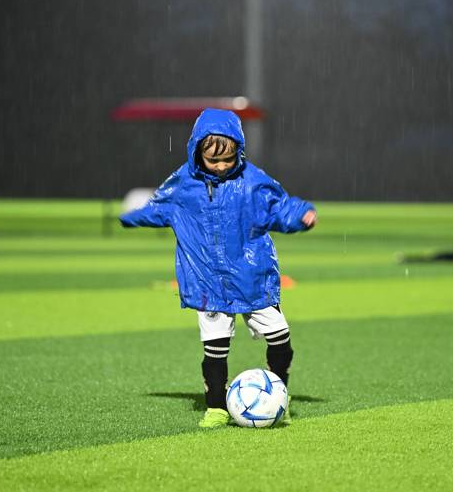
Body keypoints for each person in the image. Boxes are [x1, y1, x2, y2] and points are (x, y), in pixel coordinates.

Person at [120, 108, 316, 428]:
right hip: (207, 282)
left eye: (228, 159)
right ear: (197, 153)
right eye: (214, 161)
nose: (222, 166)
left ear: (239, 150)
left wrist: (301, 214)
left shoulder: (252, 181)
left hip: (251, 276)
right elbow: (160, 207)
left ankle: (280, 391)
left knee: (280, 336)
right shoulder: (184, 183)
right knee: (215, 348)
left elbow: (279, 206)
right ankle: (216, 406)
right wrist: (131, 217)